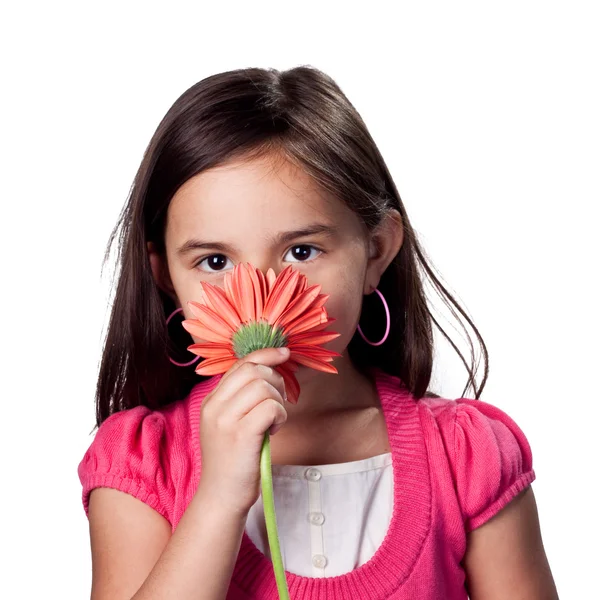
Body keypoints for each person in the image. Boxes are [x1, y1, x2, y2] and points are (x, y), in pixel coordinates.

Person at [77, 66, 558, 600]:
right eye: (215, 261)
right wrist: (217, 499)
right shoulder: (144, 461)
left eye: (301, 252)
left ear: (376, 249)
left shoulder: (466, 456)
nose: (260, 295)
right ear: (165, 276)